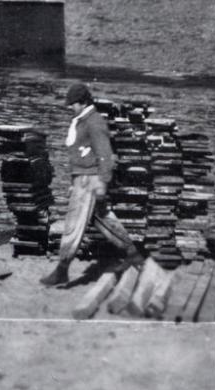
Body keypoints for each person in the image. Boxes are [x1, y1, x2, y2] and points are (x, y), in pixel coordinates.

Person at [40, 81, 144, 287]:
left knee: (74, 223)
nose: (71, 107)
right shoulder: (82, 121)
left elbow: (105, 155)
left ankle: (62, 269)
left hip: (90, 179)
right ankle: (134, 255)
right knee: (103, 219)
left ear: (83, 102)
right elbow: (78, 155)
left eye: (73, 104)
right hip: (82, 178)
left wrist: (102, 181)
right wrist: (73, 181)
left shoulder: (94, 122)